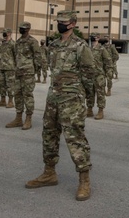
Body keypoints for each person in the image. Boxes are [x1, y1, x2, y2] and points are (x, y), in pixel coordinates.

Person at [25, 10, 96, 201]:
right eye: (59, 21)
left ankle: (84, 180)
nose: (60, 24)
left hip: (72, 99)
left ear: (73, 23)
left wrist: (86, 101)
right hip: (53, 97)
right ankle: (49, 173)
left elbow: (90, 74)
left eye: (64, 22)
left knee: (75, 138)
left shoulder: (80, 46)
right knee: (49, 134)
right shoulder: (54, 45)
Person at [8, 22, 39, 130]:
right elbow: (15, 56)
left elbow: (37, 58)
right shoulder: (18, 42)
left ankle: (28, 118)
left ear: (28, 29)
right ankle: (18, 118)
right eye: (20, 28)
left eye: (24, 29)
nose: (22, 30)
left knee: (27, 95)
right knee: (17, 94)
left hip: (28, 73)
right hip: (18, 72)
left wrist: (34, 72)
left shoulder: (33, 42)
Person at [0, 29, 16, 108]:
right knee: (2, 85)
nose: (4, 34)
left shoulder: (13, 44)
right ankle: (2, 100)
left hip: (10, 67)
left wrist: (15, 67)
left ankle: (10, 101)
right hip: (2, 67)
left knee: (10, 85)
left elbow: (16, 56)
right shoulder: (3, 44)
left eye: (5, 33)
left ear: (9, 33)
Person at [87, 35, 108, 119]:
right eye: (92, 36)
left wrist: (104, 73)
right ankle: (89, 110)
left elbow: (108, 61)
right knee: (89, 93)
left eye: (95, 36)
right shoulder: (89, 49)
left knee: (100, 94)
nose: (93, 38)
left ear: (98, 38)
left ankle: (100, 111)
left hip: (99, 75)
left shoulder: (102, 49)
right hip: (90, 75)